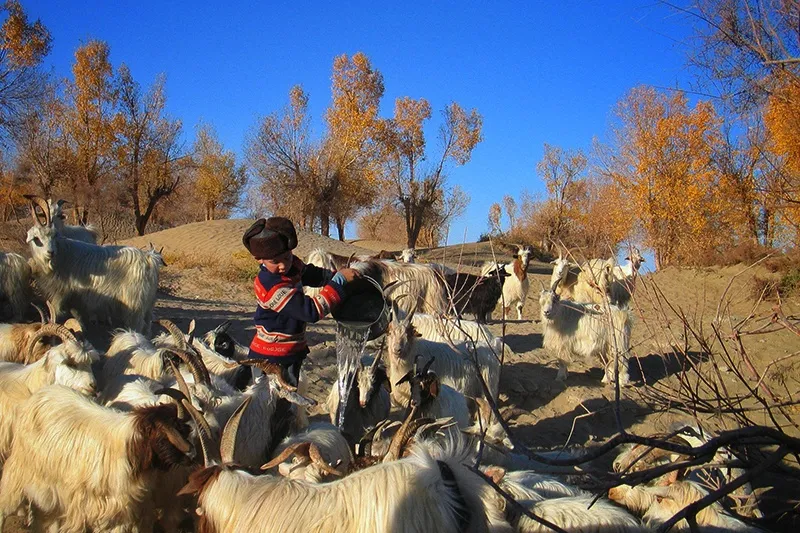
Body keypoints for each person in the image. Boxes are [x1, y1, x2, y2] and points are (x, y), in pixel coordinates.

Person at [242, 217, 360, 386]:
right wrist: (339, 282)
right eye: (275, 261)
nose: (283, 265)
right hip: (272, 356)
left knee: (288, 395)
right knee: (273, 399)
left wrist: (335, 276)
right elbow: (310, 311)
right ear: (259, 259)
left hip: (291, 351)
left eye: (287, 257)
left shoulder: (291, 268)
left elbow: (311, 274)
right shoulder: (270, 285)